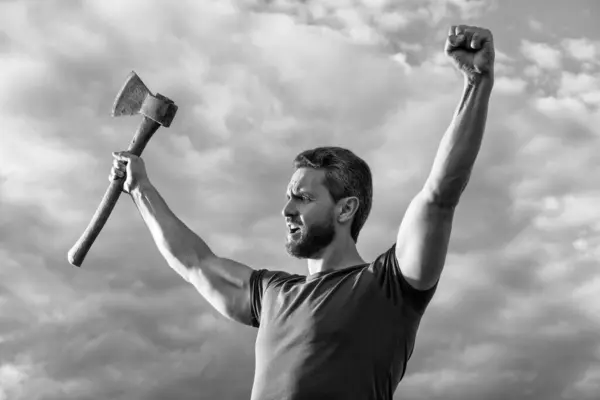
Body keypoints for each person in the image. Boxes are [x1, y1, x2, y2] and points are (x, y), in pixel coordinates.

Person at [109, 24, 495, 400]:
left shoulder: (388, 287)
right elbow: (194, 262)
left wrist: (476, 85)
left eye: (303, 199)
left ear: (346, 209)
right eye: (288, 197)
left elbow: (440, 195)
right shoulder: (273, 293)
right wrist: (141, 188)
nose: (286, 210)